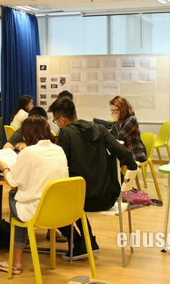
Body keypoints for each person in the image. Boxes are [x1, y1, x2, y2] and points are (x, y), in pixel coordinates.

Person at [48, 97, 138, 260]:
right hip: (107, 198)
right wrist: (130, 175)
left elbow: (59, 165)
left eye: (55, 120)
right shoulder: (101, 129)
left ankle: (80, 243)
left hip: (81, 201)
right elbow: (124, 153)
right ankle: (88, 243)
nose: (57, 124)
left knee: (51, 204)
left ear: (62, 120)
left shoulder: (65, 133)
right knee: (72, 200)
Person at [0, 115, 69, 275]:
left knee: (14, 195)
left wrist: (4, 167)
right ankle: (18, 258)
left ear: (27, 134)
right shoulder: (59, 150)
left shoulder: (29, 152)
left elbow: (12, 181)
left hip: (36, 211)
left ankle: (16, 262)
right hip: (60, 209)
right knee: (23, 197)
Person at [109, 95, 147, 163]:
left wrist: (115, 121)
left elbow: (119, 137)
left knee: (112, 163)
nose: (113, 113)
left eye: (116, 110)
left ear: (123, 109)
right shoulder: (118, 122)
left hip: (135, 153)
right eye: (112, 110)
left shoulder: (131, 119)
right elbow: (110, 136)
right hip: (126, 153)